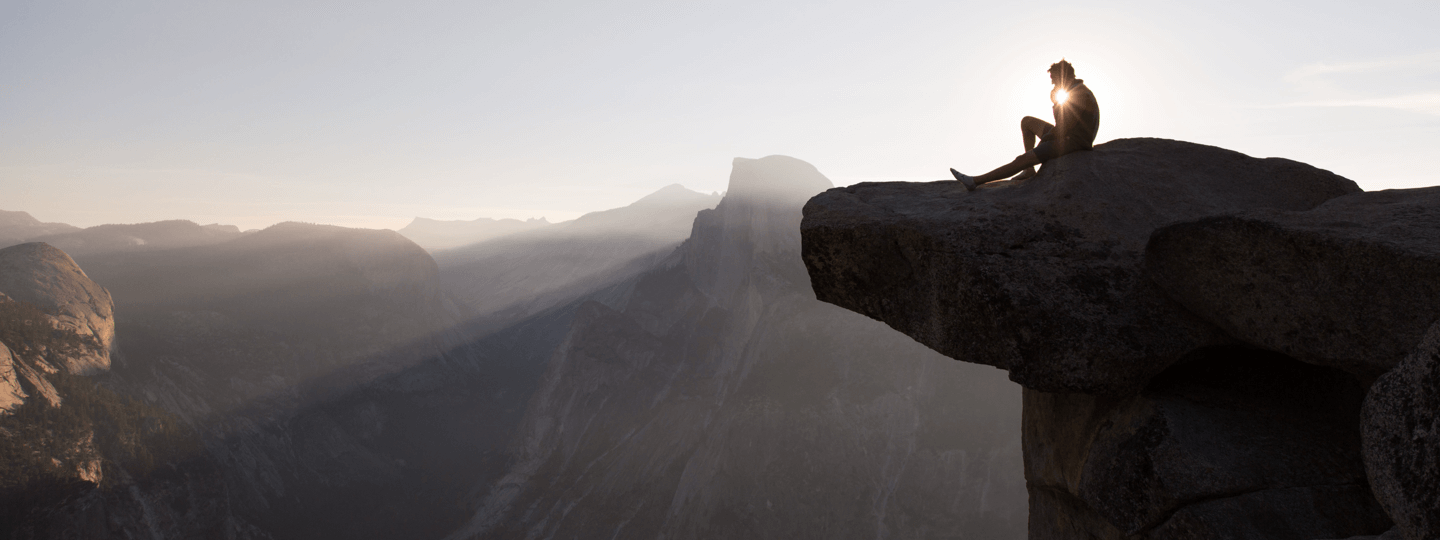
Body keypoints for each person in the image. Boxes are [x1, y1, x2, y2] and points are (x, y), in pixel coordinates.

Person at [950, 59, 1100, 191]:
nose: (1053, 83)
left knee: (1022, 159)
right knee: (1027, 122)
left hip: (1073, 141)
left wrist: (1054, 109)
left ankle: (975, 181)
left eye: (1054, 79)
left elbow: (1062, 128)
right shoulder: (1075, 90)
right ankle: (1029, 170)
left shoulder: (1079, 94)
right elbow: (1063, 125)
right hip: (1068, 134)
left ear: (1064, 76)